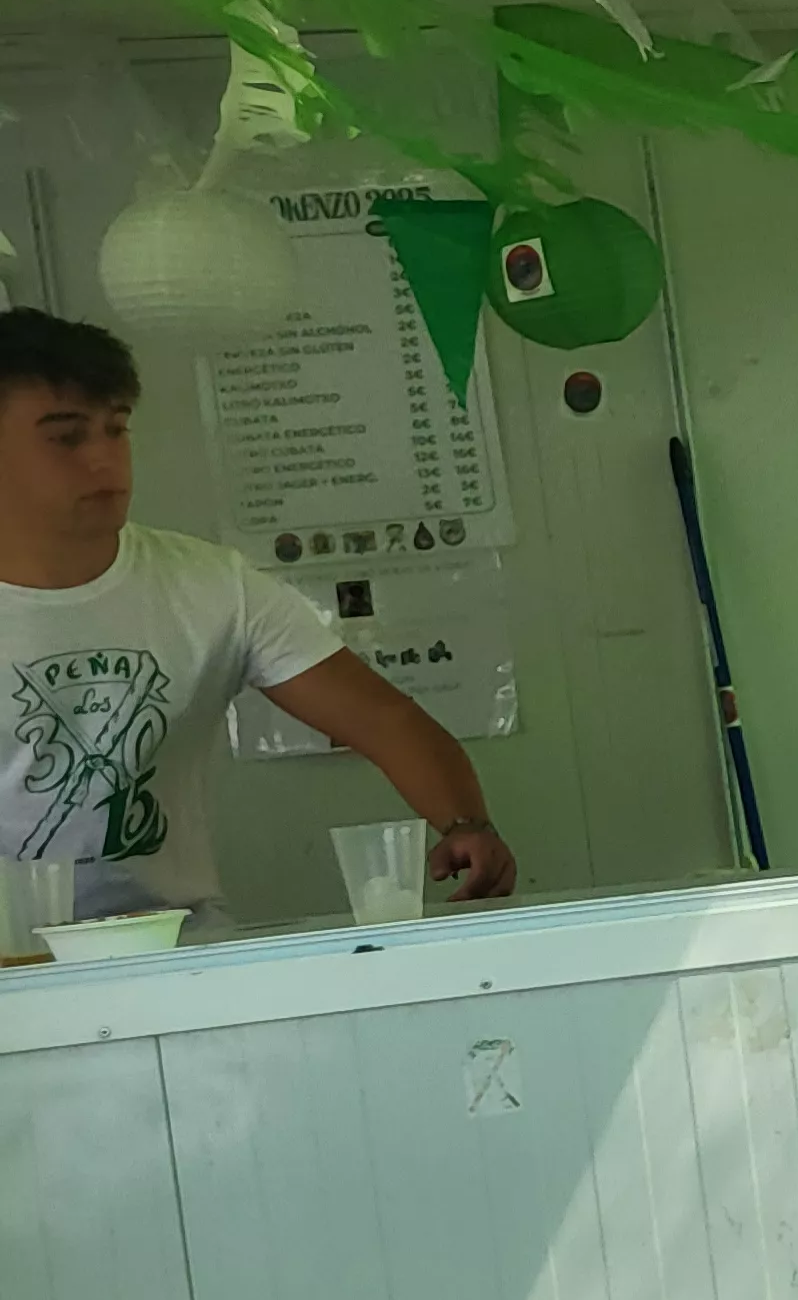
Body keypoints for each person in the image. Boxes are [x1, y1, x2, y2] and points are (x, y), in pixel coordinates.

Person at [0, 307, 513, 928]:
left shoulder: (213, 585)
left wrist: (465, 822)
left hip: (174, 943)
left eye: (116, 429)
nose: (105, 459)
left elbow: (381, 716)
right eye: (67, 436)